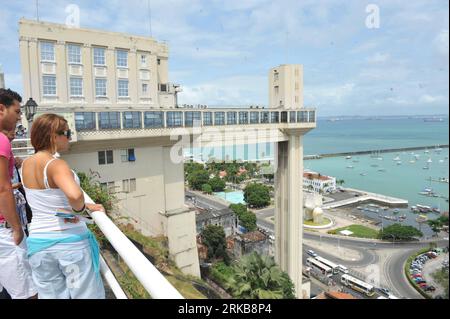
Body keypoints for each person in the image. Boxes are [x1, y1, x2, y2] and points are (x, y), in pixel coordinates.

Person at [21, 113, 105, 299]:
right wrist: (81, 210)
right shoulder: (56, 164)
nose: (70, 136)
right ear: (53, 136)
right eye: (67, 132)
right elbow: (74, 195)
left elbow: (50, 204)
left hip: (39, 246)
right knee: (84, 295)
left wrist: (81, 208)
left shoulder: (26, 164)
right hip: (69, 246)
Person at [0, 88, 37, 299]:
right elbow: (2, 188)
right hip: (4, 230)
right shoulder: (1, 140)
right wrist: (16, 228)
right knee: (28, 293)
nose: (20, 116)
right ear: (1, 109)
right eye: (17, 111)